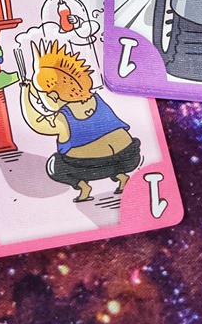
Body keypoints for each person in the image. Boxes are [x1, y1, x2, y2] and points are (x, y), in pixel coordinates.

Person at [19, 41, 141, 203]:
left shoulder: (63, 119)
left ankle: (83, 187)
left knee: (55, 165)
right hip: (128, 157)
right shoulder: (96, 99)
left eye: (42, 95)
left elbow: (36, 122)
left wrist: (25, 94)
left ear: (53, 96)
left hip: (89, 167)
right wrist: (35, 90)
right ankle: (122, 177)